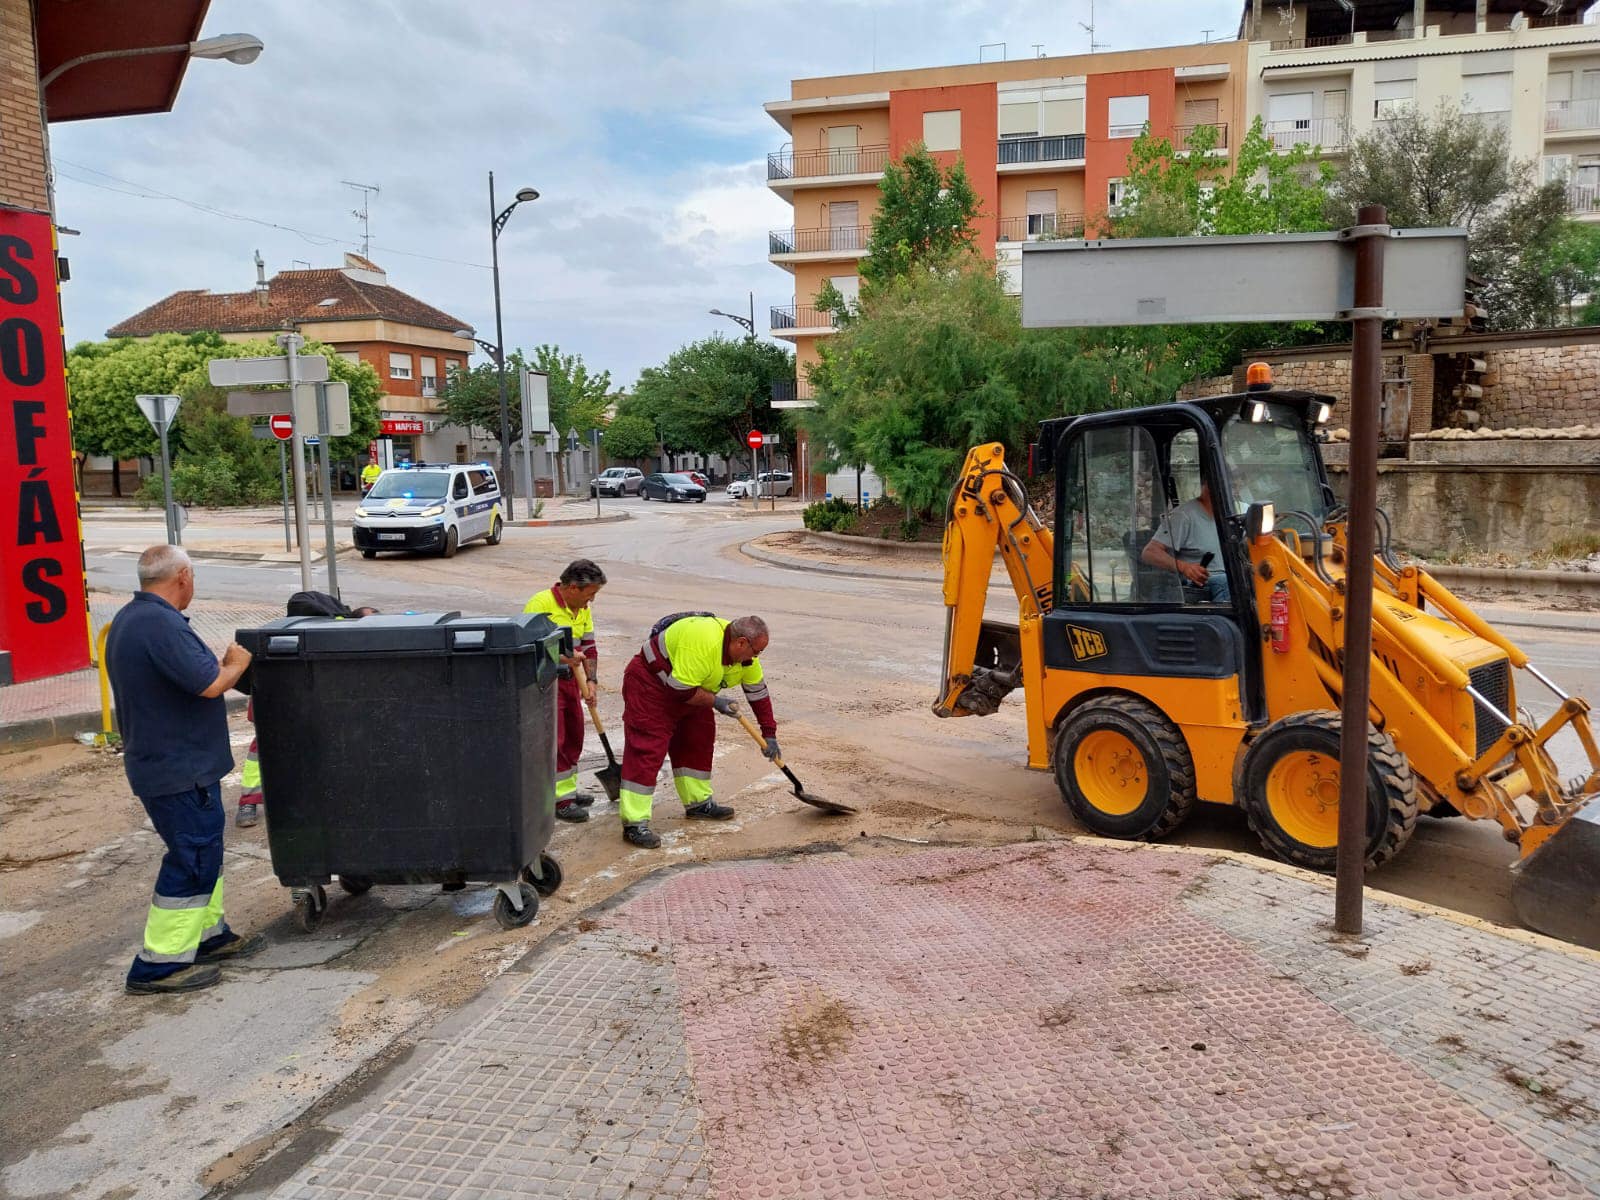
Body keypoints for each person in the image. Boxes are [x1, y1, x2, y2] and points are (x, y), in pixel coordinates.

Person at [105, 545, 262, 995]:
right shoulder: (159, 624)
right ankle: (158, 965)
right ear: (183, 576)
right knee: (192, 858)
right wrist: (238, 662)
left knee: (203, 852)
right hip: (178, 768)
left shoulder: (133, 619)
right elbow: (211, 683)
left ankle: (208, 936)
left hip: (171, 764)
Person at [616, 613, 779, 848]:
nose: (756, 657)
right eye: (756, 651)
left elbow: (758, 693)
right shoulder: (703, 643)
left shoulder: (745, 659)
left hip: (693, 688)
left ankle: (698, 804)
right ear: (741, 642)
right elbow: (678, 690)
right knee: (647, 750)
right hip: (652, 686)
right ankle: (634, 823)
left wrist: (769, 733)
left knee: (697, 741)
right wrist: (716, 702)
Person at [236, 597, 379, 828]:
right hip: (280, 699)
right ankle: (250, 800)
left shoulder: (339, 629)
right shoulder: (323, 631)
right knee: (263, 748)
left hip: (307, 699)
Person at [524, 560, 607, 823]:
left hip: (573, 681)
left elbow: (589, 646)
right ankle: (559, 800)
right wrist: (563, 659)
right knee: (556, 740)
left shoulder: (581, 609)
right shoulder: (540, 604)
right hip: (547, 684)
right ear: (572, 588)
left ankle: (567, 790)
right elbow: (528, 648)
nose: (591, 600)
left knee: (574, 735)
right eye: (589, 593)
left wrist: (591, 681)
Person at [1142, 479, 1231, 603]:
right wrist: (1184, 567)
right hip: (1200, 585)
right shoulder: (1183, 516)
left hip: (1230, 577)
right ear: (1208, 484)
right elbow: (1150, 552)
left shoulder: (1233, 513)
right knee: (1227, 582)